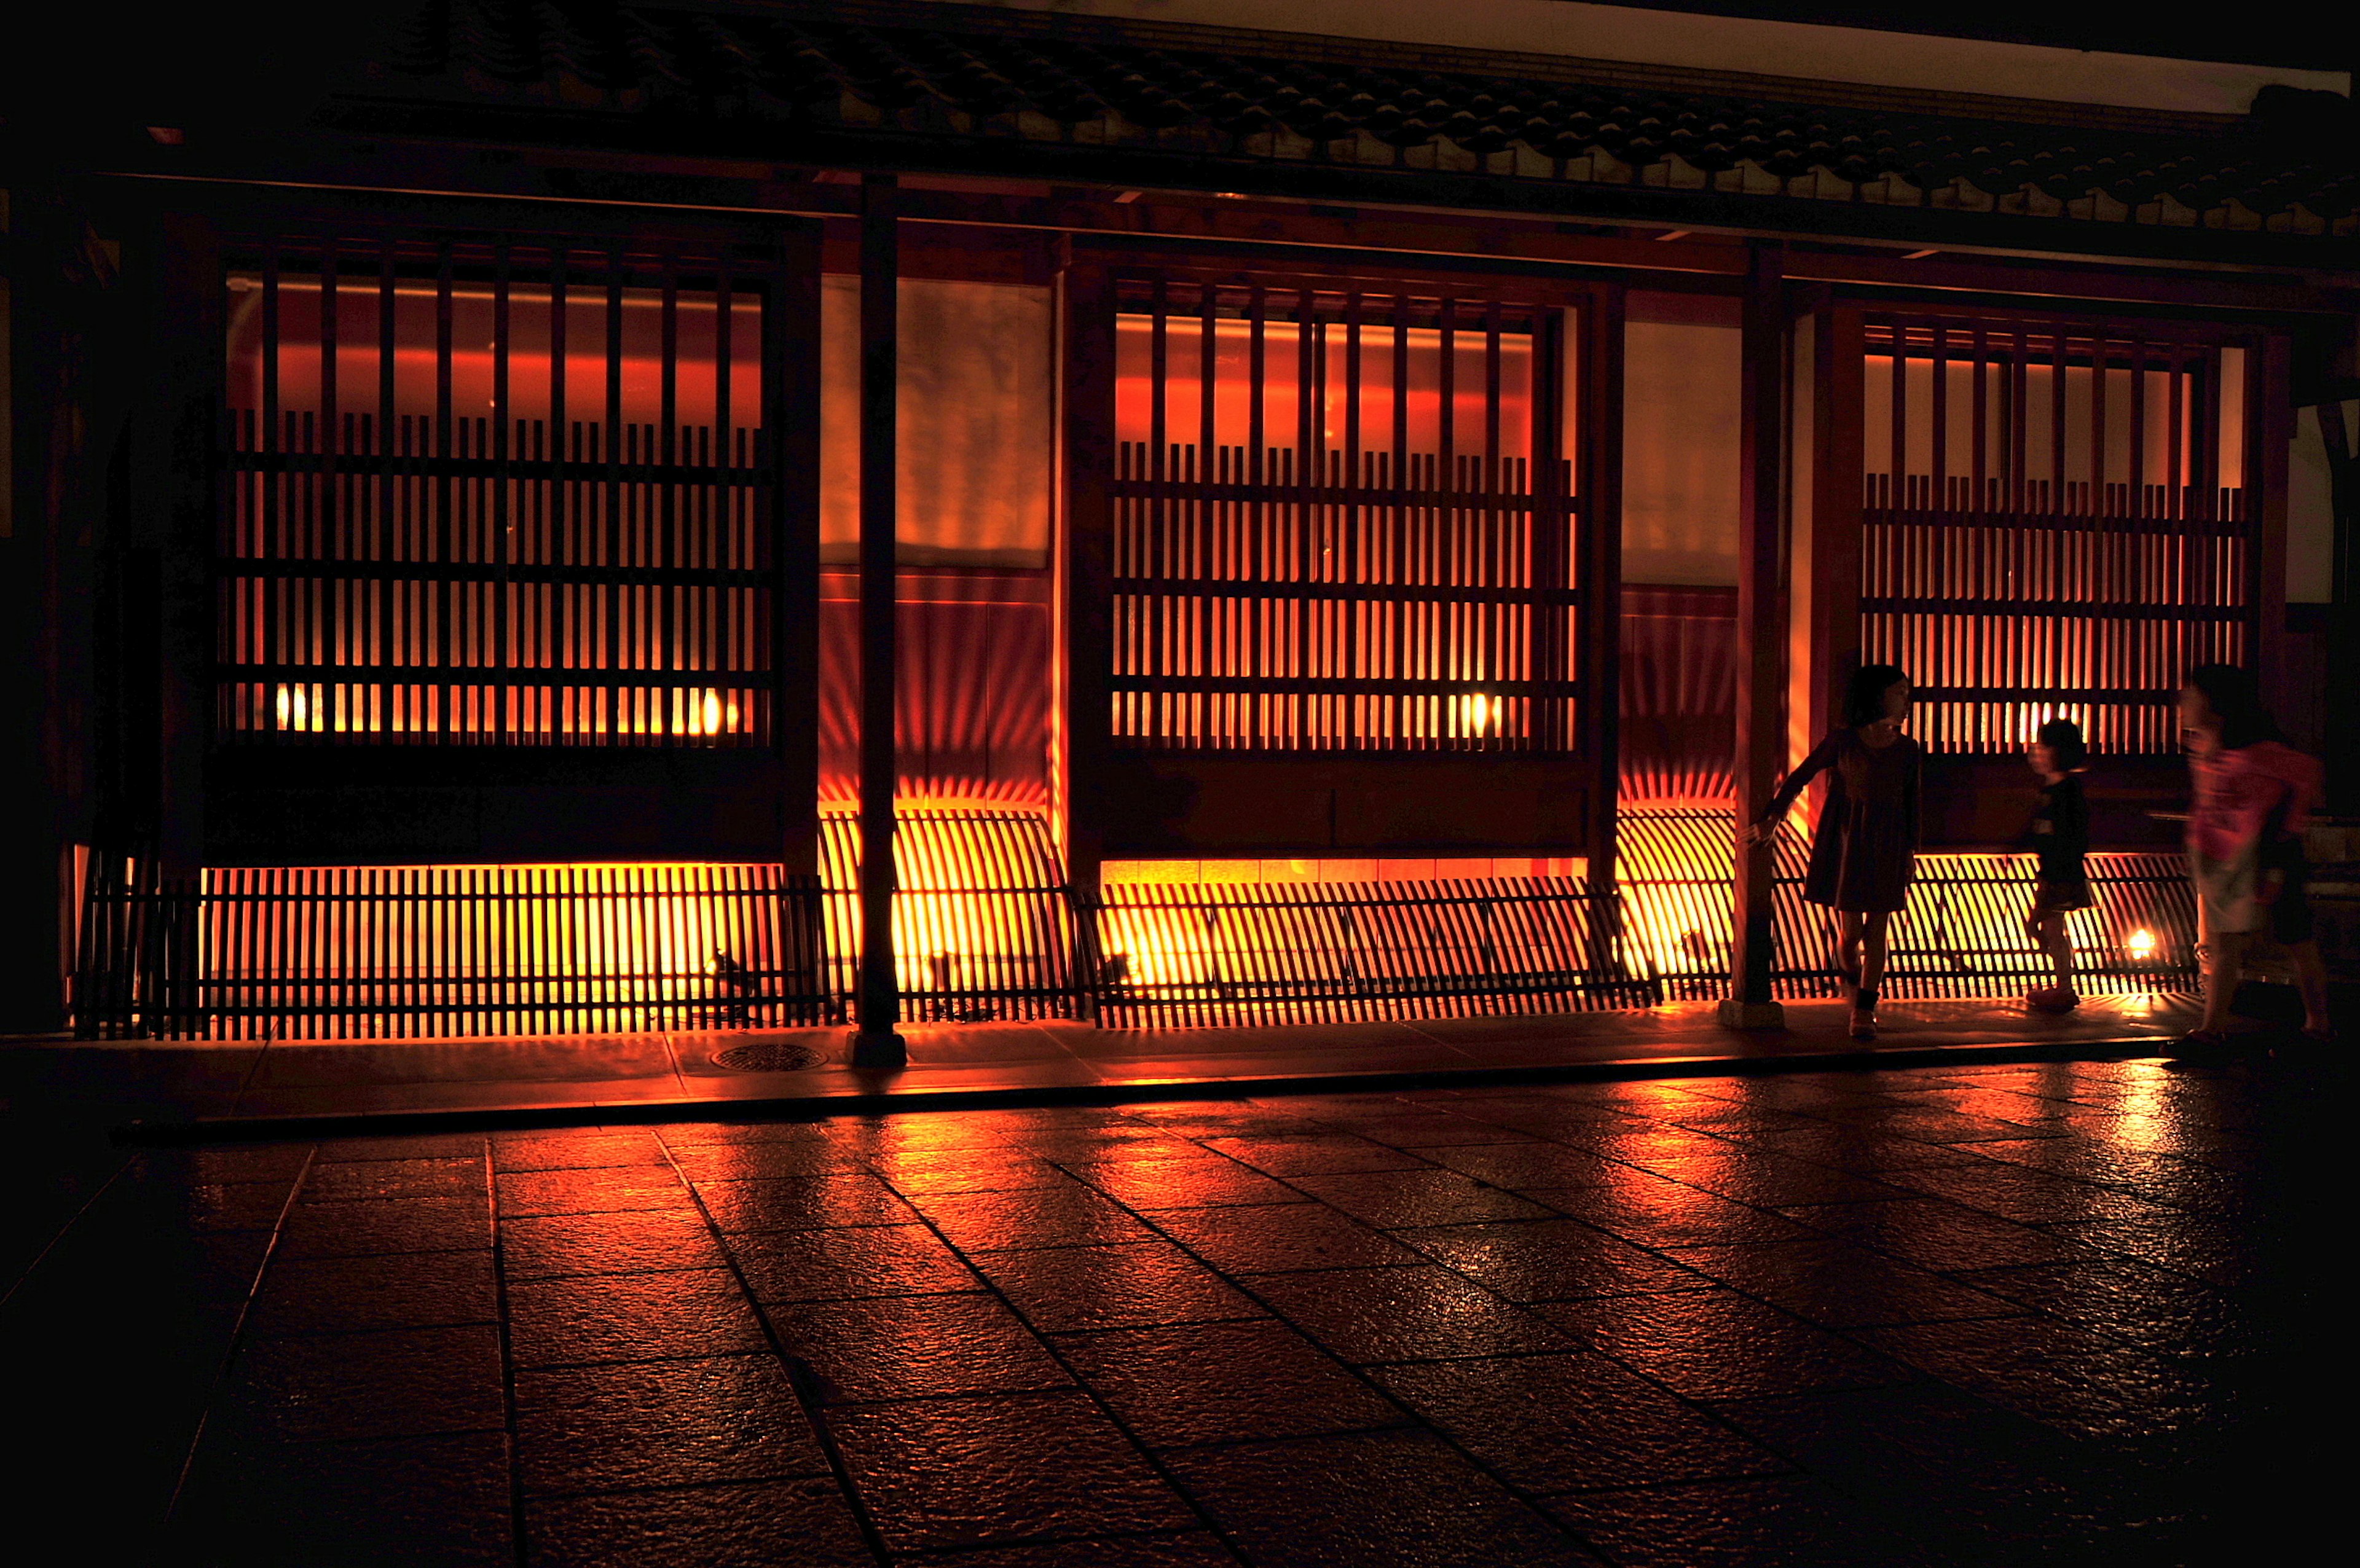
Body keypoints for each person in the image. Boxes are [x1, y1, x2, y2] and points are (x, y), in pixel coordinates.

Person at [1747, 664, 1922, 1042]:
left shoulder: (1908, 749)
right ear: (1877, 696)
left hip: (1890, 840)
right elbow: (1800, 776)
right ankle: (1852, 980)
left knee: (1879, 927)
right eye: (1900, 693)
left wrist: (1910, 852)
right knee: (1852, 931)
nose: (1907, 701)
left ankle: (1865, 1009)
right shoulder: (1844, 742)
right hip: (1850, 839)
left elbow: (1912, 803)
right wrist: (1772, 819)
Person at [2177, 664, 2332, 1052]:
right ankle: (2211, 1029)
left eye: (2191, 696)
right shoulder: (2204, 745)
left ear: (2215, 704)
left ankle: (2319, 1024)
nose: (2183, 704)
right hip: (2229, 858)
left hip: (2272, 851)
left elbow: (2309, 774)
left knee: (2294, 936)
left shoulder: (2257, 751)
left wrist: (2286, 841)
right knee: (2225, 940)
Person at [2023, 718, 2090, 1013]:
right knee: (2045, 927)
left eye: (2044, 746)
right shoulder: (2052, 790)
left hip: (2060, 873)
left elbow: (2073, 837)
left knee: (2046, 927)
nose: (2038, 752)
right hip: (2053, 872)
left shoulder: (2068, 791)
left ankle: (2064, 987)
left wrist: (2063, 871)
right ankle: (2063, 984)